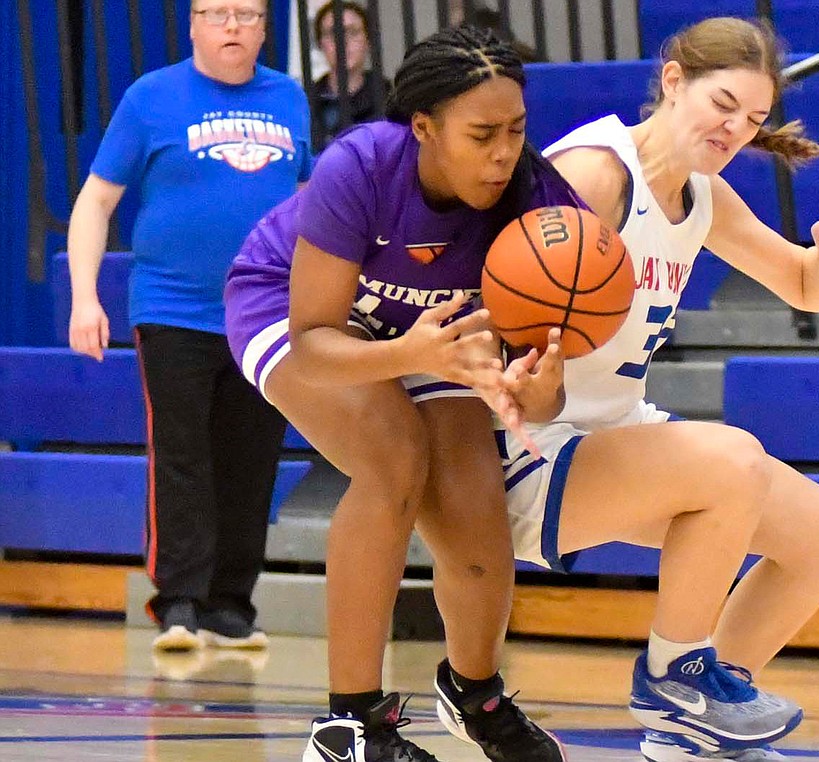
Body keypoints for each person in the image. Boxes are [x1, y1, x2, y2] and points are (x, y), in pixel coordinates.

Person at [494, 15, 819, 762]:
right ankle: (674, 681)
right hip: (528, 445)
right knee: (732, 456)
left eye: (751, 119)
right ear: (674, 82)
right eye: (723, 106)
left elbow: (808, 287)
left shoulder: (702, 194)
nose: (736, 129)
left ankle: (699, 736)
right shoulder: (596, 174)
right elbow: (496, 305)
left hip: (612, 437)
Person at [223, 23, 579, 762]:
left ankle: (475, 694)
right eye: (482, 133)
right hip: (294, 311)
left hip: (428, 335)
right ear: (424, 127)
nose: (504, 150)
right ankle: (348, 726)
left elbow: (544, 396)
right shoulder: (359, 165)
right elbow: (317, 341)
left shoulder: (540, 203)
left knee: (477, 511)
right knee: (394, 457)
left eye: (515, 129)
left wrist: (533, 389)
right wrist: (407, 353)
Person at [66, 0, 312, 652]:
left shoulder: (289, 98)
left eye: (247, 14)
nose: (233, 26)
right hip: (173, 308)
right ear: (195, 24)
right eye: (218, 12)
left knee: (252, 459)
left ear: (265, 27)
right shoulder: (152, 98)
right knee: (182, 457)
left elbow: (313, 202)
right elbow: (95, 199)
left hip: (265, 316)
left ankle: (231, 605)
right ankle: (178, 602)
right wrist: (84, 297)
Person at [310, 0, 391, 152]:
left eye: (353, 32)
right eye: (333, 33)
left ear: (368, 40)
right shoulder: (307, 101)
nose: (343, 41)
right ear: (320, 43)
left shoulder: (389, 98)